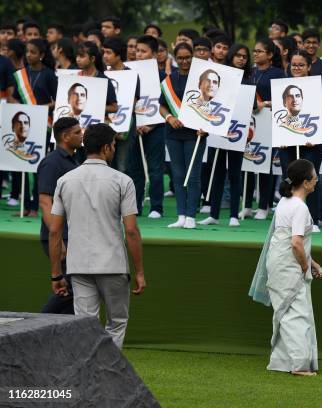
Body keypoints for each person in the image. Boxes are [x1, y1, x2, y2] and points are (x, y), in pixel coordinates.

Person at [48, 123, 146, 349]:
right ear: (106, 148)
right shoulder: (123, 181)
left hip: (79, 264)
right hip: (112, 264)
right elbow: (131, 230)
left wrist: (55, 274)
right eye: (113, 144)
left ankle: (88, 377)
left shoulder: (65, 181)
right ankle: (108, 376)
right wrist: (139, 271)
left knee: (85, 325)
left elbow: (55, 231)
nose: (113, 148)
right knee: (117, 323)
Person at [249, 159, 322, 376]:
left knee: (286, 312)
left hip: (279, 261)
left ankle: (282, 362)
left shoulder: (285, 201)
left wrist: (313, 263)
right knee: (296, 315)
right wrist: (303, 267)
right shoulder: (299, 207)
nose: (317, 180)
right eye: (314, 177)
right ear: (306, 183)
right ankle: (299, 365)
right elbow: (296, 243)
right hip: (289, 265)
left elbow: (289, 240)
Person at [277, 50, 322, 232]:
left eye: (301, 65)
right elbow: (277, 116)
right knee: (290, 179)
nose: (297, 68)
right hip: (286, 144)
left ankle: (312, 220)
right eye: (294, 65)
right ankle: (289, 220)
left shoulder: (318, 86)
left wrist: (315, 134)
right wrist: (281, 136)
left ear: (309, 67)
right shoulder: (281, 86)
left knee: (310, 181)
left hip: (311, 144)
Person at [201, 44, 252, 227]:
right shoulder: (219, 78)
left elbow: (252, 105)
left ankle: (233, 216)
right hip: (218, 130)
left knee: (235, 174)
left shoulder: (248, 80)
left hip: (237, 132)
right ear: (231, 57)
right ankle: (214, 214)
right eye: (238, 55)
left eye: (244, 56)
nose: (241, 59)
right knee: (218, 172)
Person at [160, 43, 208, 230]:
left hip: (195, 135)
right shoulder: (169, 80)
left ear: (193, 56)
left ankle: (191, 216)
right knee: (178, 175)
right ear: (175, 59)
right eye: (180, 58)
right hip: (173, 134)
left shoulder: (204, 79)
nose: (184, 61)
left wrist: (206, 126)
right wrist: (169, 117)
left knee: (193, 176)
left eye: (188, 57)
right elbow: (162, 105)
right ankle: (180, 215)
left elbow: (213, 106)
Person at [37, 117, 82, 314]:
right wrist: (58, 241)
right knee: (70, 287)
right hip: (59, 237)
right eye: (78, 132)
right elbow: (45, 202)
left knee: (75, 289)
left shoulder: (74, 159)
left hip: (70, 234)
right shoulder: (51, 163)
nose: (82, 135)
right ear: (65, 137)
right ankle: (39, 327)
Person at [12, 38, 57, 217]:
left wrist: (43, 108)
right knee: (23, 163)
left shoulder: (49, 75)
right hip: (24, 125)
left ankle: (36, 206)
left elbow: (58, 99)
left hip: (43, 125)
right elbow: (14, 97)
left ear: (42, 55)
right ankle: (25, 206)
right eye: (28, 52)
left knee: (38, 165)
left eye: (33, 52)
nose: (29, 55)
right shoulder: (21, 74)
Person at [241, 38, 285, 220]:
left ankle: (264, 206)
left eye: (260, 51)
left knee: (264, 164)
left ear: (270, 55)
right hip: (249, 123)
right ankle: (246, 206)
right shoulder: (249, 72)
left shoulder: (278, 73)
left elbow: (284, 99)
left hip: (268, 122)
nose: (256, 54)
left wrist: (265, 103)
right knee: (247, 164)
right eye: (255, 51)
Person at [131, 35, 167, 218]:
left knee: (155, 169)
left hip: (156, 128)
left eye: (143, 51)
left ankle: (156, 207)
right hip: (134, 129)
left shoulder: (163, 76)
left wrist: (151, 124)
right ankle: (135, 205)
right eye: (137, 51)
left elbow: (165, 104)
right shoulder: (128, 73)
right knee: (135, 169)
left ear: (153, 54)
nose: (138, 54)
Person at [103, 36, 140, 174]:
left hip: (125, 128)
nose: (105, 56)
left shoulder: (131, 75)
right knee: (106, 165)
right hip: (105, 126)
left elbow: (133, 103)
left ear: (118, 55)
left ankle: (123, 195)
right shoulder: (103, 74)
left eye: (108, 52)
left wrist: (119, 125)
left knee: (122, 166)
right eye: (104, 52)